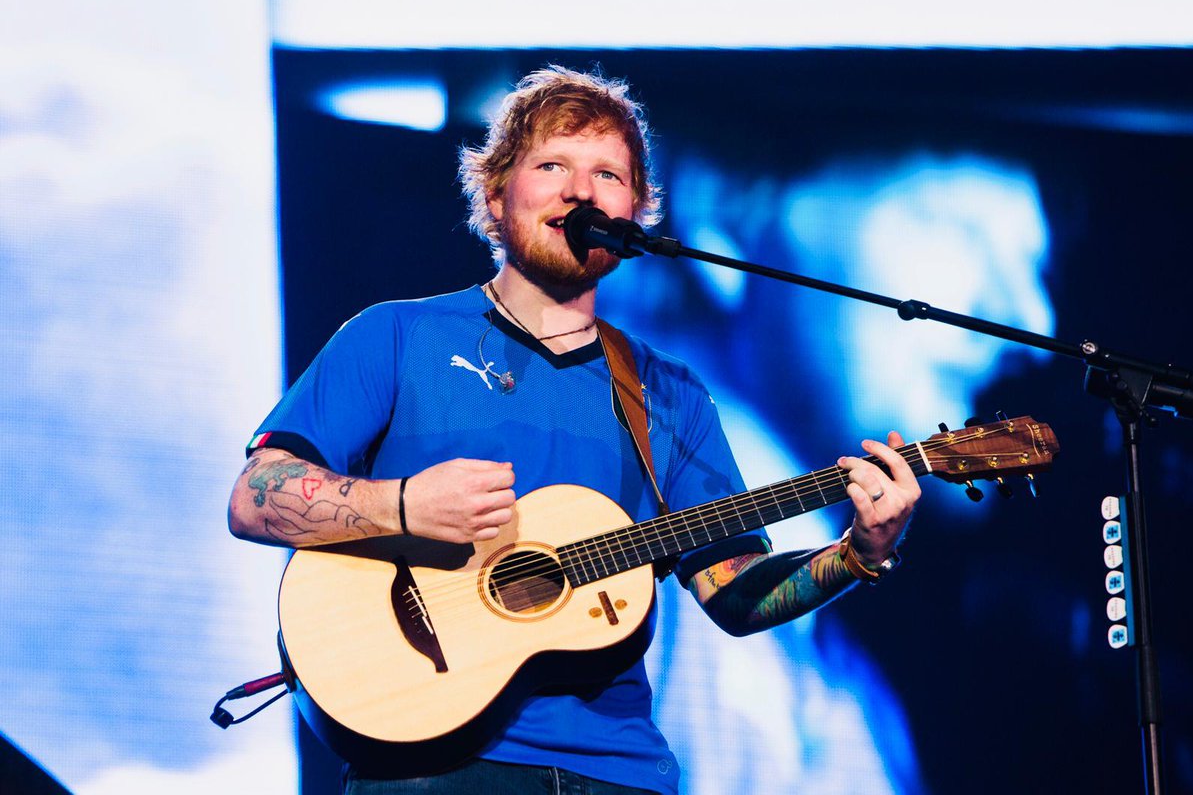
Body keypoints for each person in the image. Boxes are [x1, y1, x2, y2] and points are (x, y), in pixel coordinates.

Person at [227, 66, 919, 795]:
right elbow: (255, 496)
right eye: (552, 164)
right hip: (429, 769)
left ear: (636, 214)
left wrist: (858, 555)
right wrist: (402, 508)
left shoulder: (669, 393)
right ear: (495, 195)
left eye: (608, 175)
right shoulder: (395, 337)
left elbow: (733, 592)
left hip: (619, 774)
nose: (581, 191)